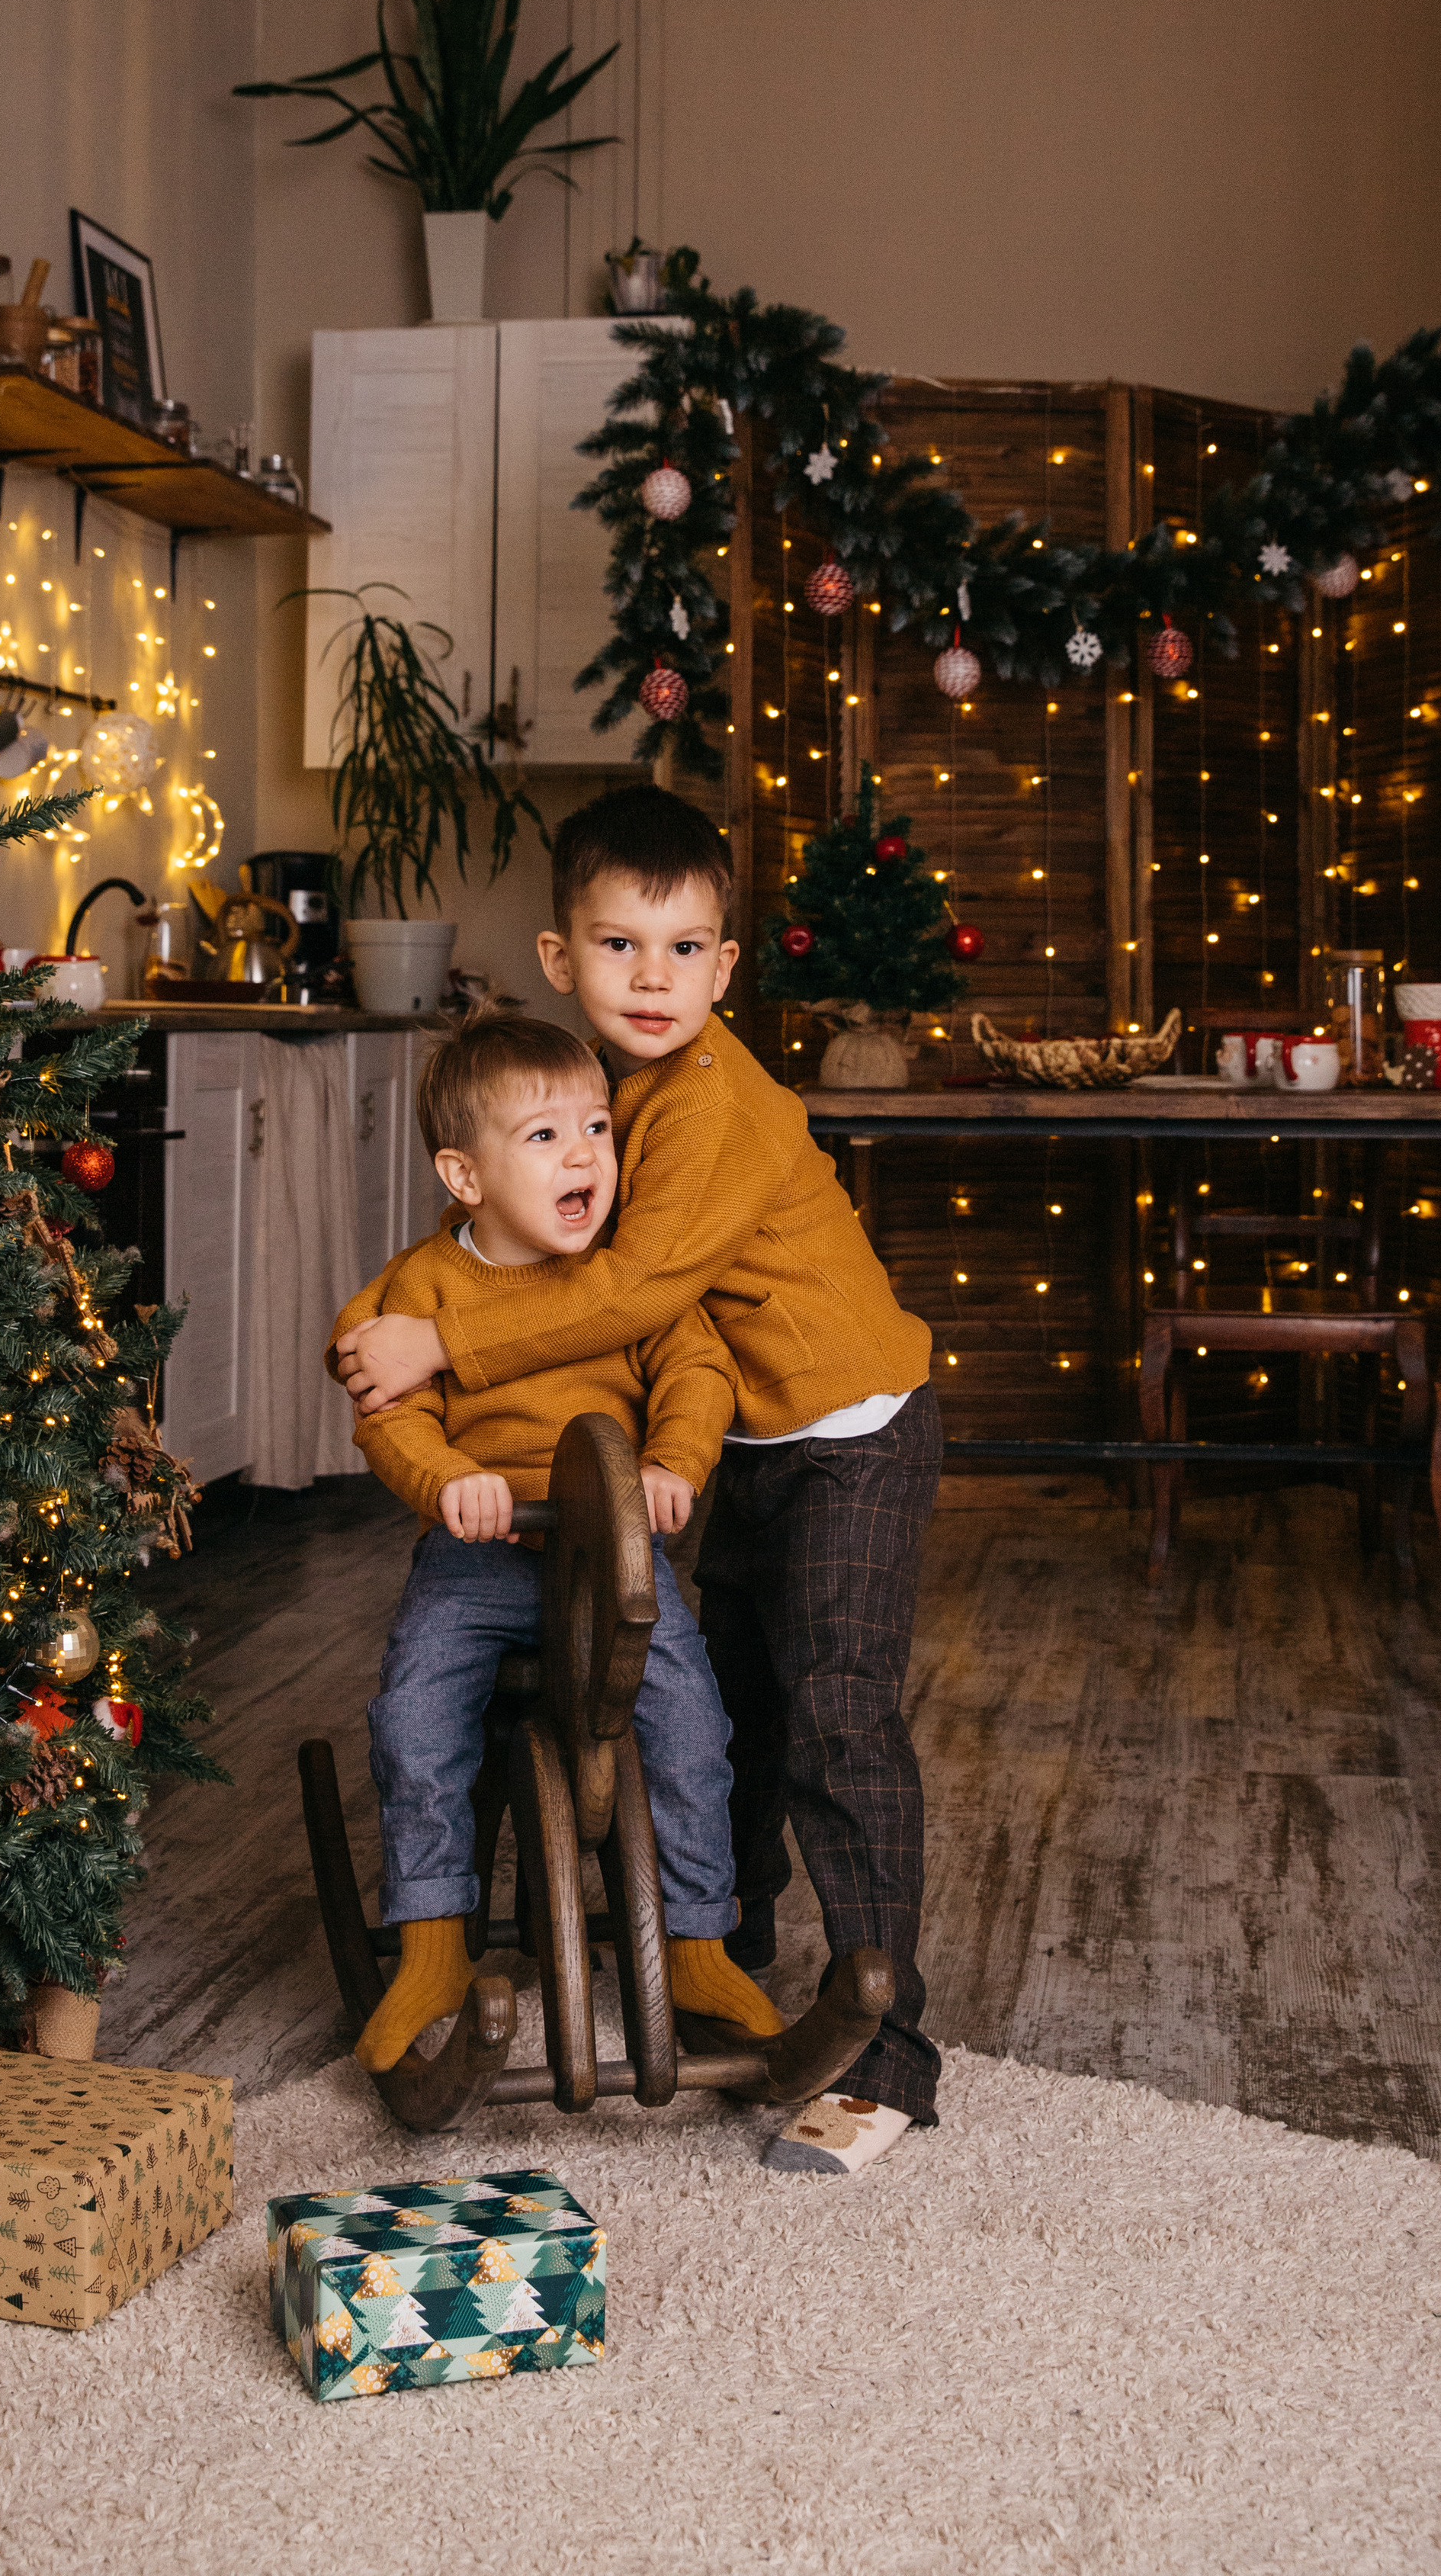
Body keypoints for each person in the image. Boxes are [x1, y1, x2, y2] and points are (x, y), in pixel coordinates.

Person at [335, 787, 941, 2176]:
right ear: (564, 961)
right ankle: (720, 1951)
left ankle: (888, 2053)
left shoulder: (712, 1099)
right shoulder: (604, 1096)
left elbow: (637, 1292)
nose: (651, 980)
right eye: (620, 948)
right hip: (740, 1442)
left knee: (837, 1714)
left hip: (850, 1428)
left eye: (683, 951)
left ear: (727, 970)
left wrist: (441, 1337)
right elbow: (522, 1222)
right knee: (724, 1695)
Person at [331, 1006, 785, 2074]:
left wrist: (675, 1464)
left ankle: (697, 1936)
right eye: (545, 1138)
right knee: (415, 1714)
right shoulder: (422, 1288)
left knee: (690, 1721)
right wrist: (451, 1485)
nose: (585, 1154)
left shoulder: (628, 1277)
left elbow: (697, 1368)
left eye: (598, 1128)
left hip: (617, 1556)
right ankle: (434, 1940)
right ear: (467, 1175)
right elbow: (386, 1409)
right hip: (481, 1552)